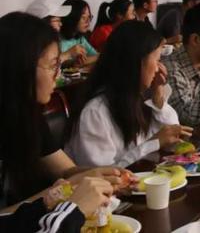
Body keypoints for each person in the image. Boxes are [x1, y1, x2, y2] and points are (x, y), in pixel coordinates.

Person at [0, 12, 124, 209]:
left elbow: (66, 171)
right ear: (20, 67)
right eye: (53, 66)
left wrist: (101, 174)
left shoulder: (28, 115)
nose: (58, 75)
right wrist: (53, 197)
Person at [66, 21, 191, 167]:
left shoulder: (134, 97)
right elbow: (103, 175)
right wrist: (154, 143)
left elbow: (171, 140)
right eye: (157, 60)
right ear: (136, 63)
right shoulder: (95, 112)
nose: (159, 68)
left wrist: (158, 97)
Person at [59, 0, 98, 67]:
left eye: (89, 17)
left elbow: (94, 55)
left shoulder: (80, 38)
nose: (88, 21)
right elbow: (58, 63)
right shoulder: (57, 38)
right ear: (72, 18)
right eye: (83, 17)